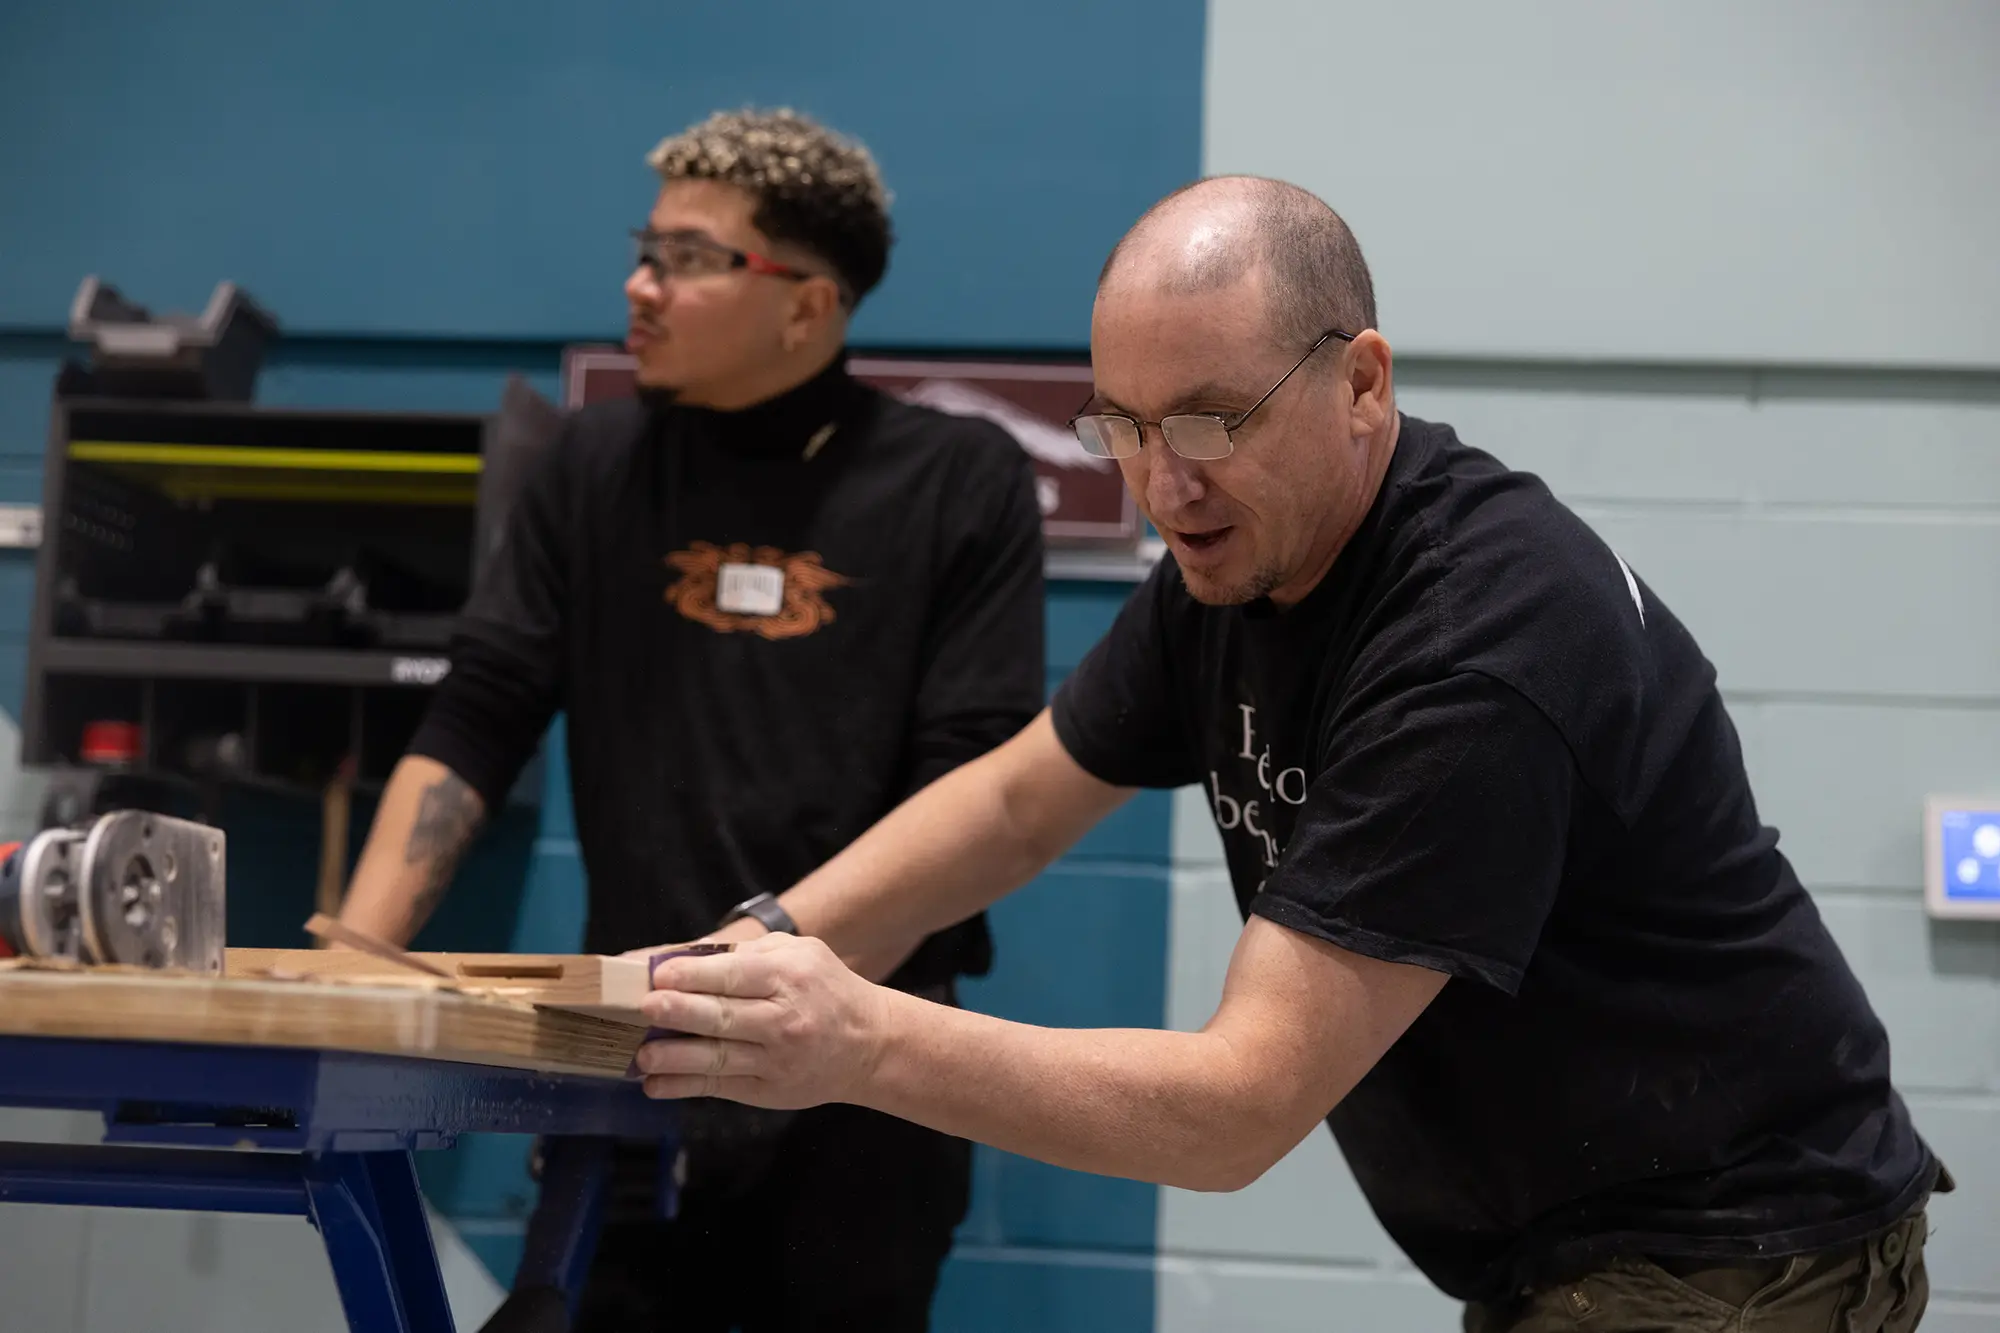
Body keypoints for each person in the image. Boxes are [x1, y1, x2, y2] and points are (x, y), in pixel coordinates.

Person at [627, 174, 1950, 1331]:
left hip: (1736, 1243)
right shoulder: (1234, 561)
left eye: (1212, 421)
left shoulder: (1473, 643)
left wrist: (856, 1040)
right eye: (1124, 427)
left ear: (1361, 382)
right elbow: (1021, 801)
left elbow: (1235, 1108)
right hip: (1579, 1239)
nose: (1165, 485)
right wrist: (748, 948)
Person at [334, 107, 1047, 1331]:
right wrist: (349, 980)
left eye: (686, 258)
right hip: (632, 1070)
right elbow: (478, 718)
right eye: (643, 249)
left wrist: (766, 986)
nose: (639, 284)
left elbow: (969, 800)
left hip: (860, 1090)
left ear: (805, 305)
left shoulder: (956, 481)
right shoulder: (592, 464)